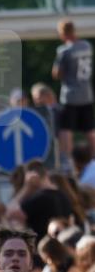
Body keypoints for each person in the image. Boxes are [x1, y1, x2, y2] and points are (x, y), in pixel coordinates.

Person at [52, 20, 95, 166]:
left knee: (66, 130)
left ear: (63, 33)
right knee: (90, 130)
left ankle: (68, 162)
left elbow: (57, 73)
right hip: (87, 94)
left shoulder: (64, 50)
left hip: (70, 95)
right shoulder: (87, 46)